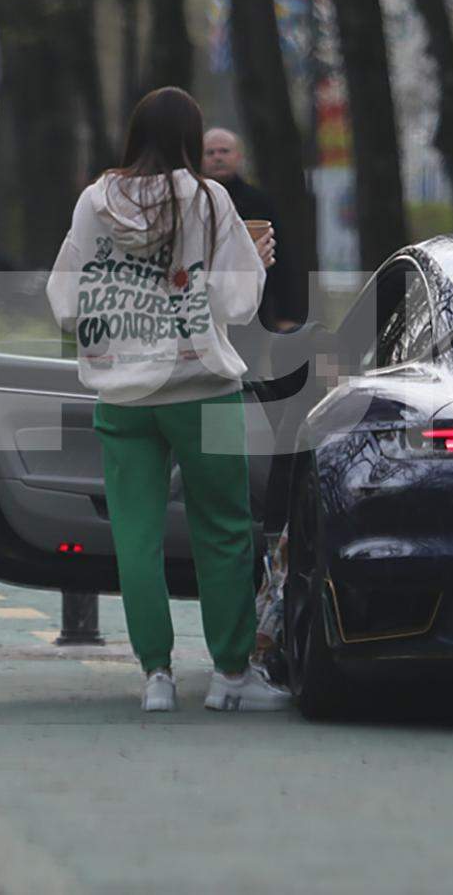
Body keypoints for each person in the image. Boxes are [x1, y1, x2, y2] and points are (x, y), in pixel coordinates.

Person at [48, 88, 288, 713]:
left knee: (135, 535)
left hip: (122, 394)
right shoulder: (210, 199)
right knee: (223, 530)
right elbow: (236, 302)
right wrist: (256, 261)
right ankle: (230, 675)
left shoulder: (94, 201)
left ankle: (156, 674)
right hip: (200, 388)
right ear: (191, 137)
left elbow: (66, 300)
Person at [201, 128, 307, 334]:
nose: (217, 158)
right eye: (210, 153)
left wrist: (287, 313)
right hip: (204, 308)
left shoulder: (258, 202)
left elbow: (280, 259)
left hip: (255, 309)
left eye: (224, 151)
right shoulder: (192, 202)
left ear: (238, 156)